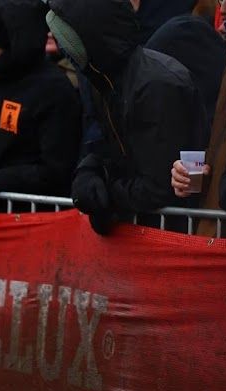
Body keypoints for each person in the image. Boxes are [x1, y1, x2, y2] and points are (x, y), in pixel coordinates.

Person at [46, 0, 206, 234]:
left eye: (67, 38)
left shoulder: (156, 84)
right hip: (140, 229)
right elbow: (109, 149)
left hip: (171, 234)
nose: (63, 48)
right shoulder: (100, 77)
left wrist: (107, 194)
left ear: (89, 36)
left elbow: (160, 185)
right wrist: (89, 171)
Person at [0, 0, 82, 224]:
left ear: (4, 38)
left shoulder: (53, 90)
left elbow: (55, 170)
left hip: (42, 222)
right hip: (3, 218)